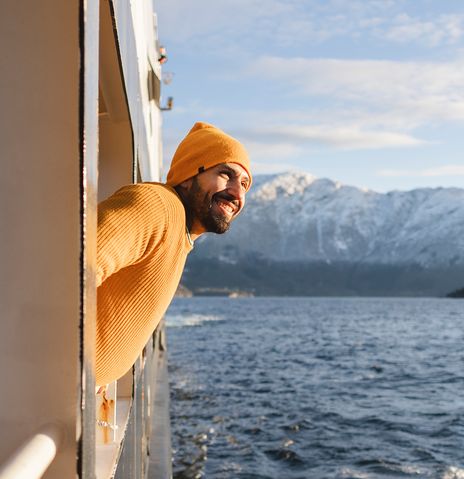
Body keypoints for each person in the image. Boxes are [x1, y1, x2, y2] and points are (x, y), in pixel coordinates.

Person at [95, 122, 252, 385]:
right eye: (226, 174)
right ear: (188, 176)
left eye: (245, 184)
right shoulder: (157, 206)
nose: (237, 193)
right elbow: (72, 267)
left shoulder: (179, 231)